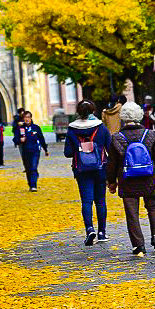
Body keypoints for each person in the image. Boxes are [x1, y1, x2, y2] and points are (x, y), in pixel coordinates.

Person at [107, 101, 155, 256]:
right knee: (153, 206)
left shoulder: (116, 138)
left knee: (132, 212)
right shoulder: (150, 134)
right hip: (149, 176)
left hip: (127, 178)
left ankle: (138, 245)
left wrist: (111, 182)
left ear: (123, 118)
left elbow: (112, 163)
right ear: (140, 116)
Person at [64, 99, 112, 245]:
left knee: (86, 201)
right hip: (100, 169)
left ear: (78, 112)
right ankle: (102, 232)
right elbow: (110, 149)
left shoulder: (72, 129)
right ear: (93, 111)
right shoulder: (101, 128)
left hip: (82, 170)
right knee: (101, 201)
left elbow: (67, 153)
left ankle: (89, 229)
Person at [18, 111, 49, 190]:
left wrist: (45, 149)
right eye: (25, 117)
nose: (27, 119)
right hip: (25, 151)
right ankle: (30, 182)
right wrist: (20, 140)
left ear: (31, 118)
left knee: (33, 167)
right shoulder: (21, 128)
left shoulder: (36, 128)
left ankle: (33, 185)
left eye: (28, 117)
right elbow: (15, 139)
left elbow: (41, 138)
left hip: (35, 150)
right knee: (28, 169)